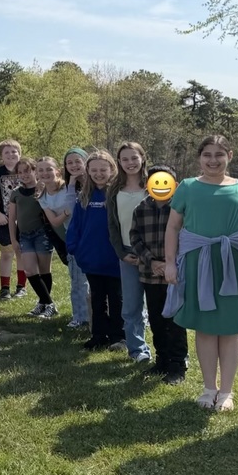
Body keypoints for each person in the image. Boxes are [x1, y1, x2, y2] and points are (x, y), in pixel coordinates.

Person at [165, 136, 238, 412]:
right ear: (199, 157)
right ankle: (209, 388)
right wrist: (170, 263)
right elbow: (173, 227)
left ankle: (227, 392)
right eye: (207, 154)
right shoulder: (187, 187)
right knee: (206, 328)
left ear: (229, 156)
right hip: (199, 263)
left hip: (233, 263)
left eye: (219, 154)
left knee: (230, 329)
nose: (213, 160)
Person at [130, 164, 188, 385]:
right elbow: (134, 238)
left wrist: (170, 262)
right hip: (149, 273)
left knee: (175, 320)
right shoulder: (141, 209)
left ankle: (177, 364)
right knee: (155, 318)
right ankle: (162, 360)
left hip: (175, 274)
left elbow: (187, 237)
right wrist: (151, 261)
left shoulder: (182, 209)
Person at [66, 150, 124, 351]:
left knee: (117, 299)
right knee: (97, 299)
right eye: (94, 170)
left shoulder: (118, 195)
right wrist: (75, 248)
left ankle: (119, 336)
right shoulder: (84, 197)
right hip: (91, 258)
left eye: (103, 169)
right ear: (88, 172)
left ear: (112, 170)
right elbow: (75, 225)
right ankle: (98, 335)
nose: (99, 174)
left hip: (115, 258)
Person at [107, 142, 151, 363]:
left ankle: (169, 349)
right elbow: (112, 226)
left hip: (155, 254)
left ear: (142, 158)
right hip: (127, 253)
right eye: (125, 159)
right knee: (132, 304)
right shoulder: (114, 190)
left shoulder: (154, 185)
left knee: (159, 305)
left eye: (134, 158)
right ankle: (138, 349)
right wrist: (121, 253)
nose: (130, 163)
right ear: (119, 163)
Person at [40, 151, 89, 329]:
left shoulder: (94, 185)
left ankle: (97, 318)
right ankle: (80, 317)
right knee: (77, 280)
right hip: (74, 238)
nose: (74, 165)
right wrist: (68, 210)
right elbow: (60, 216)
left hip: (94, 237)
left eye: (78, 161)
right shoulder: (67, 188)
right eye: (70, 163)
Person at [8, 158, 57, 319]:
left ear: (35, 171)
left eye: (27, 171)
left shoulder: (41, 190)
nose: (24, 175)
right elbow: (12, 218)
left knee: (44, 270)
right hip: (25, 236)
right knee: (29, 270)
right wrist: (13, 240)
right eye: (20, 172)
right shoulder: (16, 193)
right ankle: (49, 303)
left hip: (41, 234)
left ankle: (44, 304)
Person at [0, 139, 25, 300]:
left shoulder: (26, 170)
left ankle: (21, 287)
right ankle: (5, 288)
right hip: (5, 220)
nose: (11, 155)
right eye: (7, 152)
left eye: (14, 151)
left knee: (22, 253)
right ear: (1, 156)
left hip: (26, 220)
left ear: (20, 153)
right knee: (7, 254)